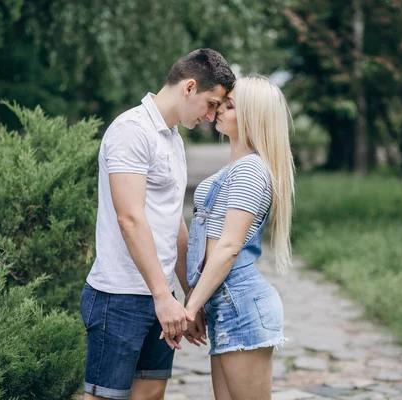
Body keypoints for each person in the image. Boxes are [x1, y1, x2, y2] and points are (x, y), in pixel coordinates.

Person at [80, 49, 236, 400]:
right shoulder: (131, 131)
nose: (212, 116)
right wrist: (163, 297)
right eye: (211, 104)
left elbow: (173, 222)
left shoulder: (173, 138)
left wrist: (187, 294)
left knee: (150, 396)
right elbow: (130, 219)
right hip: (119, 296)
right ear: (189, 87)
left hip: (160, 295)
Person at [183, 75, 295, 399]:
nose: (219, 110)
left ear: (252, 117)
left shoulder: (249, 170)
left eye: (230, 106)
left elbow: (229, 246)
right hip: (227, 302)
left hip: (240, 302)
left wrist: (191, 306)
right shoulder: (236, 168)